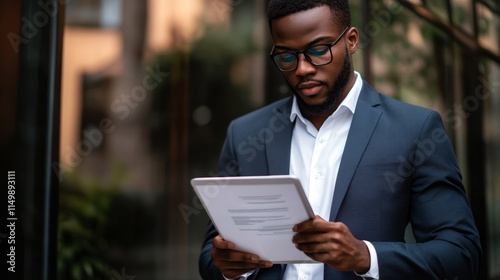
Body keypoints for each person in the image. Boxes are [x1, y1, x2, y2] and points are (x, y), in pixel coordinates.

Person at [198, 0, 481, 279]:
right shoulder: (246, 135)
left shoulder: (414, 130)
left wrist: (365, 256)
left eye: (318, 51)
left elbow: (460, 253)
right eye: (286, 56)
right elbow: (211, 258)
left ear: (352, 40)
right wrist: (229, 268)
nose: (302, 69)